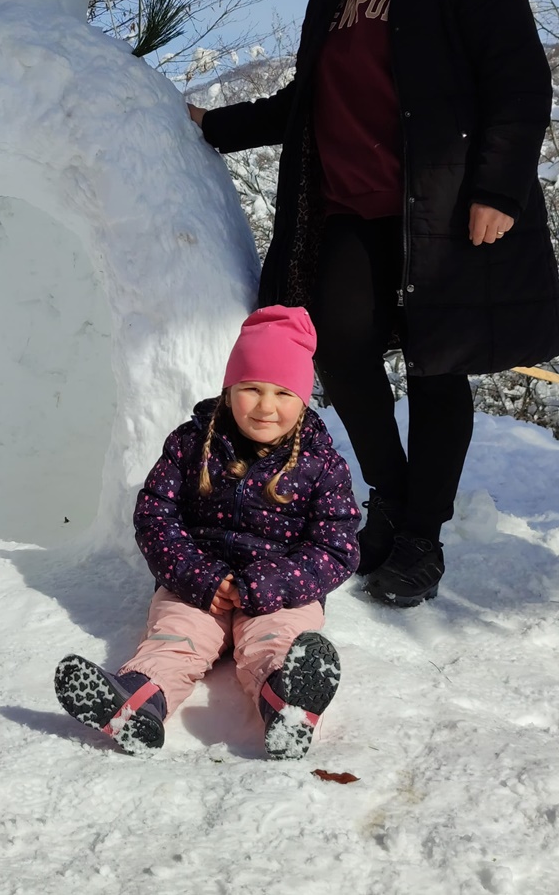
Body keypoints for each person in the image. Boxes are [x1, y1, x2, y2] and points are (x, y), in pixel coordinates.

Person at [193, 0, 559, 607]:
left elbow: (518, 80)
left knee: (438, 364)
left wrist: (498, 189)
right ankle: (391, 496)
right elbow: (309, 100)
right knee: (339, 347)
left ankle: (421, 534)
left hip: (444, 207)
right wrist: (213, 128)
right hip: (350, 211)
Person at [54, 306, 357, 760]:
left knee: (277, 641)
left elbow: (336, 547)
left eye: (283, 392)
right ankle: (135, 702)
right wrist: (196, 575)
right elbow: (157, 516)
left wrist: (271, 583)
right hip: (199, 582)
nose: (266, 406)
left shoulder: (321, 463)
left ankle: (289, 703)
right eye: (251, 388)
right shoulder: (192, 444)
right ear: (229, 387)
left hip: (280, 590)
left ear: (304, 399)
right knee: (177, 638)